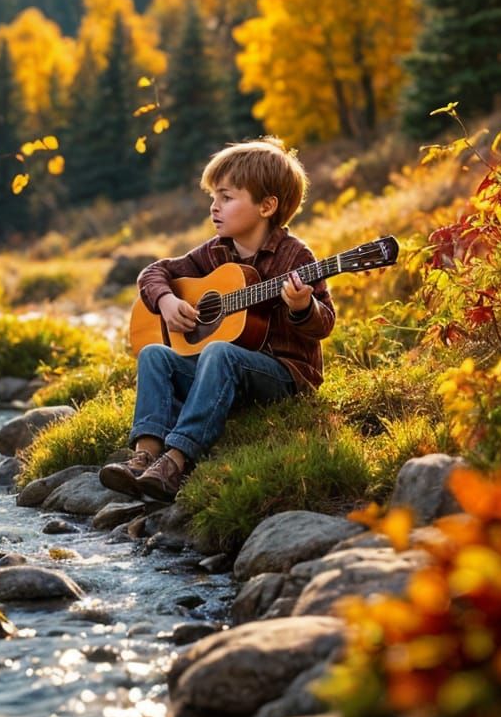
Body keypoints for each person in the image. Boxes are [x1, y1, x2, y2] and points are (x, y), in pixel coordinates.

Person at [101, 137, 335, 503]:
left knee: (219, 351)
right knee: (154, 354)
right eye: (213, 197)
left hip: (284, 375)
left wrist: (303, 306)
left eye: (226, 197)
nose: (214, 207)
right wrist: (166, 300)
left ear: (266, 206)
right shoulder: (214, 252)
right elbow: (154, 272)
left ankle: (177, 460)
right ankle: (144, 455)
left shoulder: (295, 257)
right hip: (225, 374)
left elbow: (325, 323)